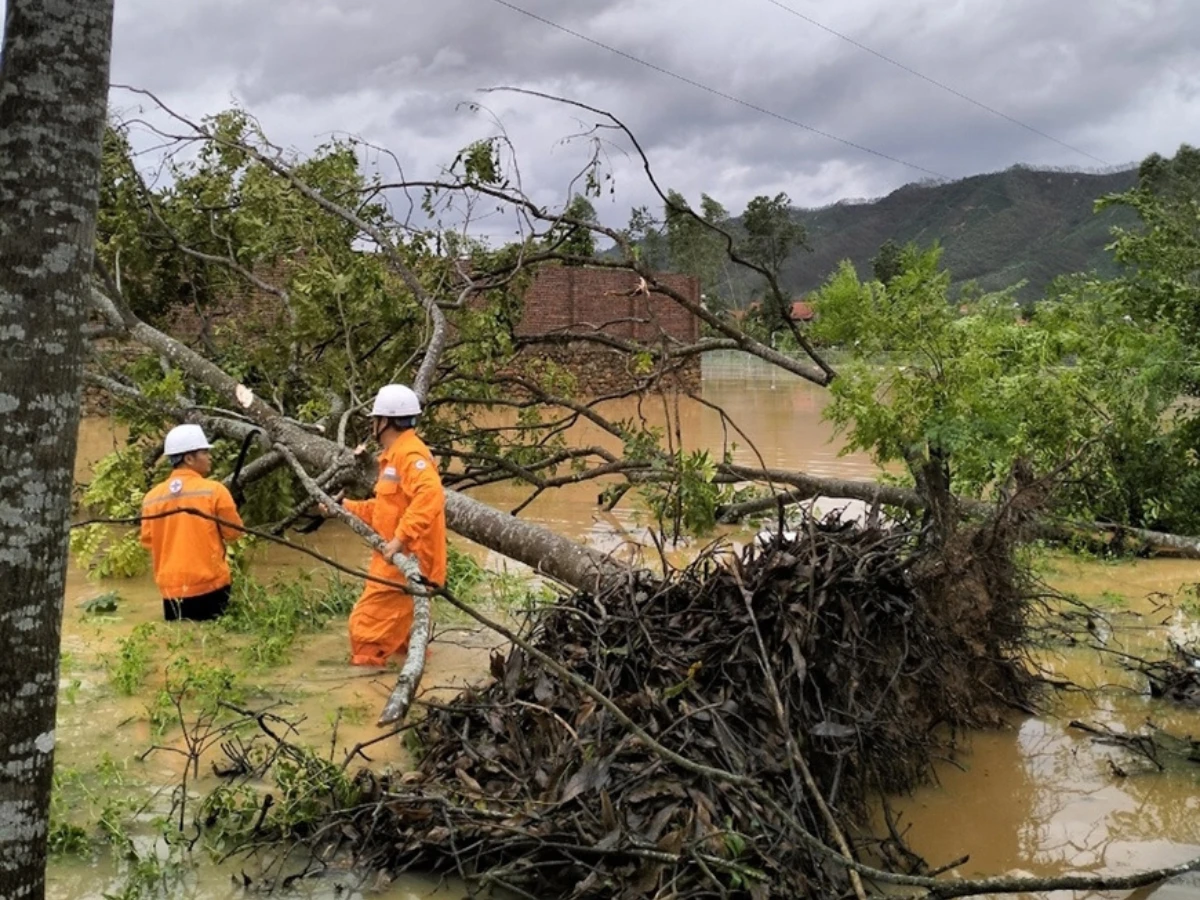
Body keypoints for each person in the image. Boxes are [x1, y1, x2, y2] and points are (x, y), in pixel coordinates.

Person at [335, 384, 447, 667]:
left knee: (365, 636)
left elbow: (430, 495)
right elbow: (386, 510)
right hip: (399, 562)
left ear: (386, 421)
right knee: (403, 646)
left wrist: (399, 539)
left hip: (405, 565)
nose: (372, 425)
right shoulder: (395, 457)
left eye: (374, 420)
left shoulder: (409, 455)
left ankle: (365, 699)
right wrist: (344, 507)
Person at [140, 424, 244, 622]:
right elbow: (234, 533)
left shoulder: (151, 498)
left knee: (180, 645)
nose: (209, 457)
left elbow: (148, 541)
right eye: (204, 452)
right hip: (211, 587)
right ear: (189, 458)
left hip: (170, 590)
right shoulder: (214, 491)